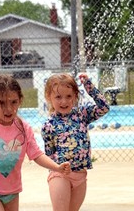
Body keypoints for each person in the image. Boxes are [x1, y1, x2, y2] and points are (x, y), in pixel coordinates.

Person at [0, 74, 71, 211]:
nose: (8, 108)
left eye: (14, 102)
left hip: (12, 192)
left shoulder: (24, 129)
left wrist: (57, 167)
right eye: (2, 103)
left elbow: (36, 154)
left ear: (20, 100)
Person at [41, 73, 110, 211]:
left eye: (69, 96)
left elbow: (104, 107)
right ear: (49, 97)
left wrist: (89, 86)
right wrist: (57, 167)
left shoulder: (82, 115)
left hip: (80, 175)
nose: (64, 102)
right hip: (60, 175)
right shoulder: (49, 125)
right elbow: (49, 153)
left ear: (75, 96)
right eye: (58, 97)